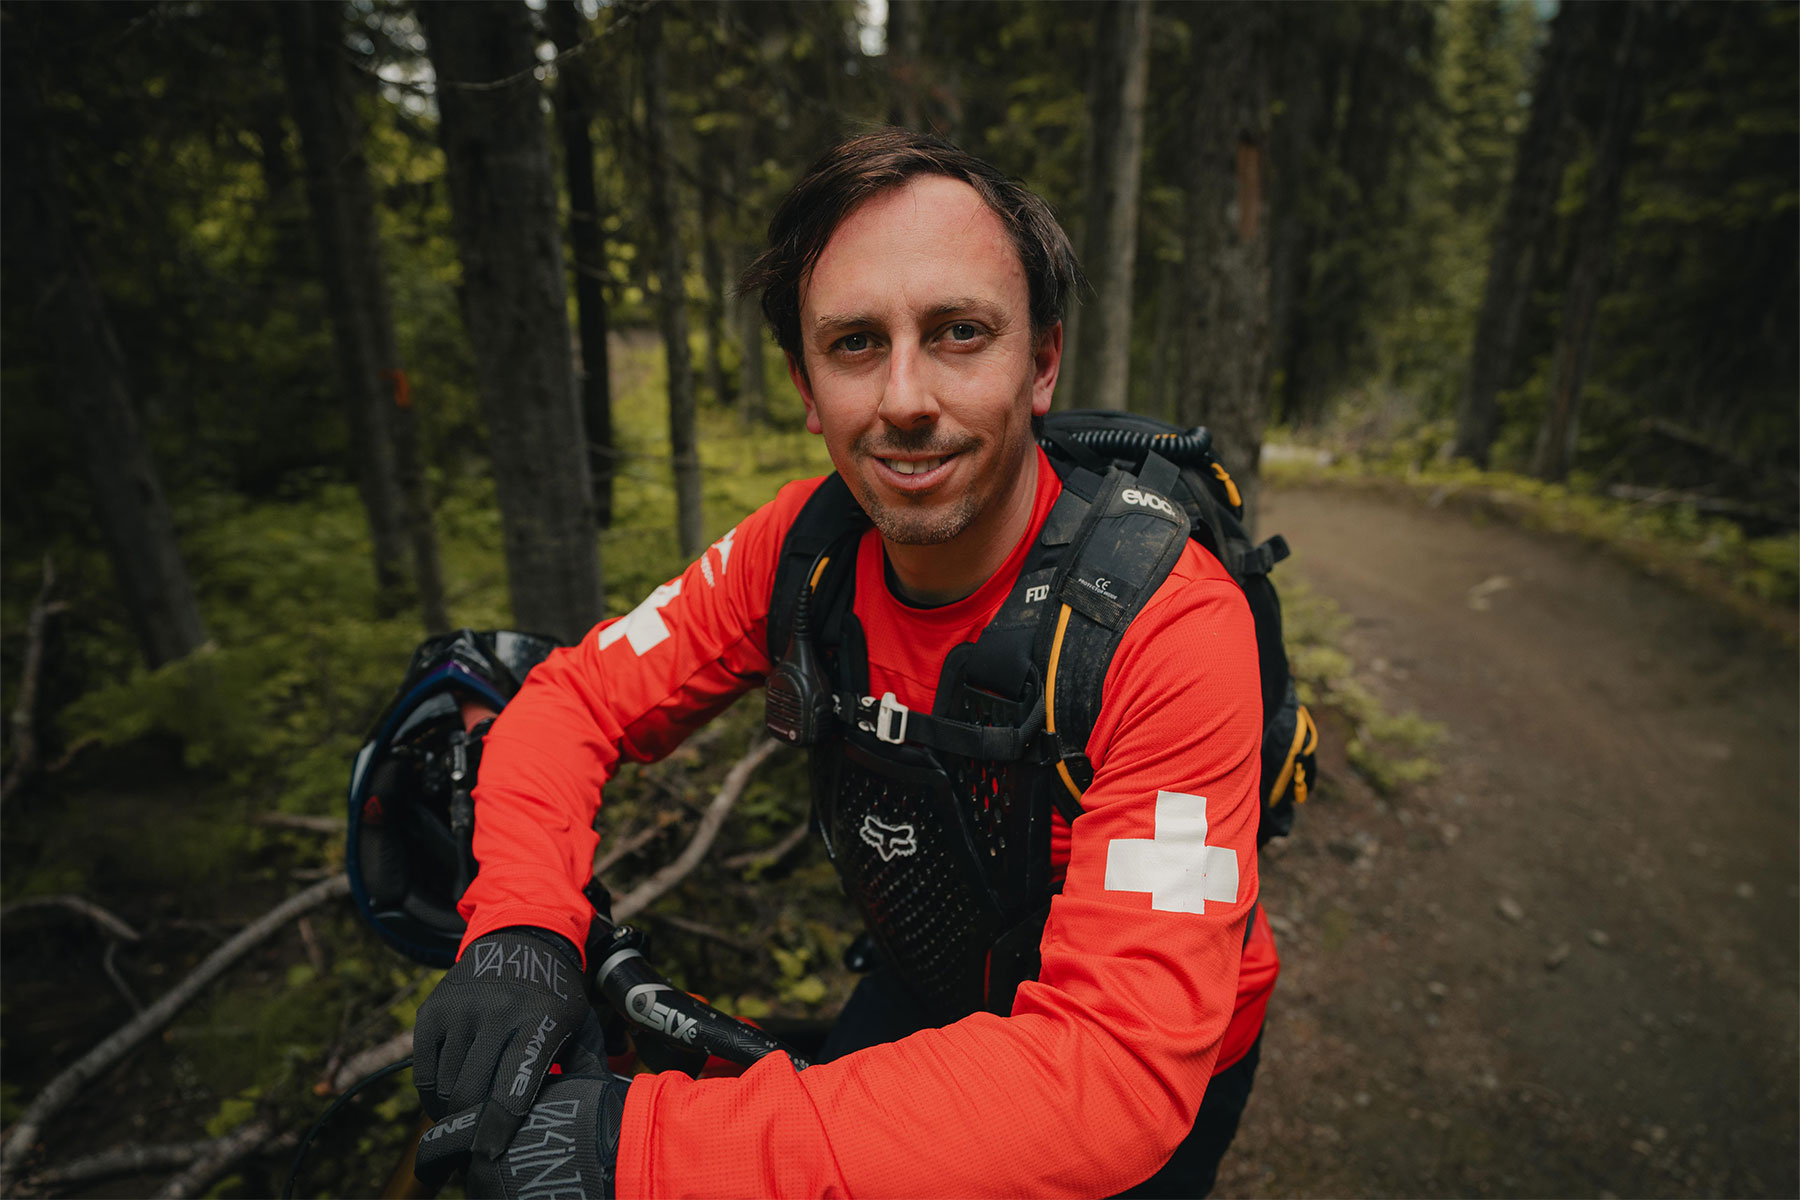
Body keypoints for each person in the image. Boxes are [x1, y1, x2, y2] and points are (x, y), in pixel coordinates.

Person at [411, 127, 1277, 1199]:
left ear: (1042, 360)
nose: (905, 398)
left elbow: (1114, 1071)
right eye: (857, 343)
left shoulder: (1168, 624)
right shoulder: (800, 553)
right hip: (934, 986)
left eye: (960, 332)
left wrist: (633, 1149)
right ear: (807, 386)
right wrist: (522, 932)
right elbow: (574, 700)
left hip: (1149, 1063)